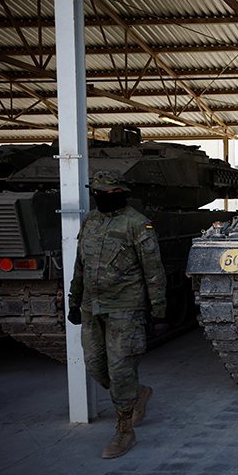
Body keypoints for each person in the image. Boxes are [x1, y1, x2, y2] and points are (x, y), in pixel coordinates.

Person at [66, 170, 167, 459]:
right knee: (95, 364)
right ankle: (138, 392)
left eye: (111, 193)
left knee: (120, 371)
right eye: (100, 193)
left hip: (125, 308)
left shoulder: (137, 224)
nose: (105, 197)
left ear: (121, 193)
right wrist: (74, 300)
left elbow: (153, 271)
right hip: (92, 306)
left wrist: (158, 311)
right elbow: (80, 265)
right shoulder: (91, 221)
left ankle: (124, 431)